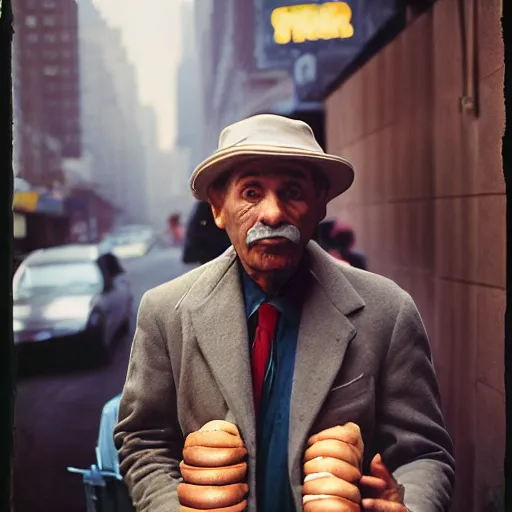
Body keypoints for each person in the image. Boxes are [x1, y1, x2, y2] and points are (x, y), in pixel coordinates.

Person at [114, 114, 455, 512]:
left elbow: (425, 454)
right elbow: (143, 441)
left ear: (320, 204)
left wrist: (407, 506)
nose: (273, 214)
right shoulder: (164, 313)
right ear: (219, 208)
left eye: (292, 191)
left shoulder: (387, 312)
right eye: (252, 193)